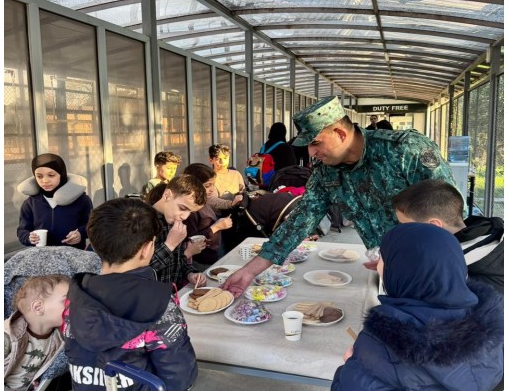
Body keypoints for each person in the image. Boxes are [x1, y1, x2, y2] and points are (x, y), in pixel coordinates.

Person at [221, 95, 456, 298]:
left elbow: (450, 213)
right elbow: (300, 220)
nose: (311, 153)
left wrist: (409, 258)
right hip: (388, 270)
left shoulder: (405, 150)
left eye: (315, 143)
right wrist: (250, 271)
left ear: (341, 134)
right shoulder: (325, 171)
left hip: (433, 270)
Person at [327, 223, 503, 391]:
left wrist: (349, 369)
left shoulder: (380, 344)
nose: (378, 265)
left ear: (402, 270)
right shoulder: (488, 327)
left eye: (383, 259)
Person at [63, 198, 200, 391]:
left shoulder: (74, 297)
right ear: (148, 248)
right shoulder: (158, 303)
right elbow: (180, 377)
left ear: (94, 243)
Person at [390, 178, 504, 391]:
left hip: (482, 381)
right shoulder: (477, 237)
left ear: (435, 226)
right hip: (482, 372)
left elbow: (447, 351)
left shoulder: (476, 280)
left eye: (405, 227)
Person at [4, 274, 71, 391]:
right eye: (66, 301)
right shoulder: (7, 337)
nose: (73, 306)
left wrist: (31, 387)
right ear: (38, 308)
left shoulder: (57, 339)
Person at [17, 153, 93, 249]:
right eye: (39, 176)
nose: (45, 181)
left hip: (74, 254)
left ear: (61, 174)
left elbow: (92, 226)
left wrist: (80, 234)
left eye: (51, 175)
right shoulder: (30, 203)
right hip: (41, 255)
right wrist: (28, 238)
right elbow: (22, 231)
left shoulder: (82, 200)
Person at [149, 174, 208, 292]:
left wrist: (190, 273)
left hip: (174, 295)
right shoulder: (141, 222)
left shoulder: (172, 220)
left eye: (190, 212)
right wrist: (169, 245)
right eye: (182, 208)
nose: (185, 216)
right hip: (151, 297)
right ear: (167, 195)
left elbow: (177, 260)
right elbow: (138, 271)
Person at [182, 163, 234, 269]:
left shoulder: (203, 202)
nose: (211, 189)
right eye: (207, 186)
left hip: (212, 255)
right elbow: (191, 239)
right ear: (193, 186)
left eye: (213, 185)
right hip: (199, 262)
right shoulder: (190, 210)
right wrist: (216, 227)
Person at [206, 144, 244, 216]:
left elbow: (243, 192)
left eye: (225, 158)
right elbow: (212, 200)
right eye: (218, 159)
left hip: (237, 213)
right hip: (218, 216)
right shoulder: (209, 178)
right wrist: (231, 204)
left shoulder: (236, 174)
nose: (222, 162)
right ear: (211, 160)